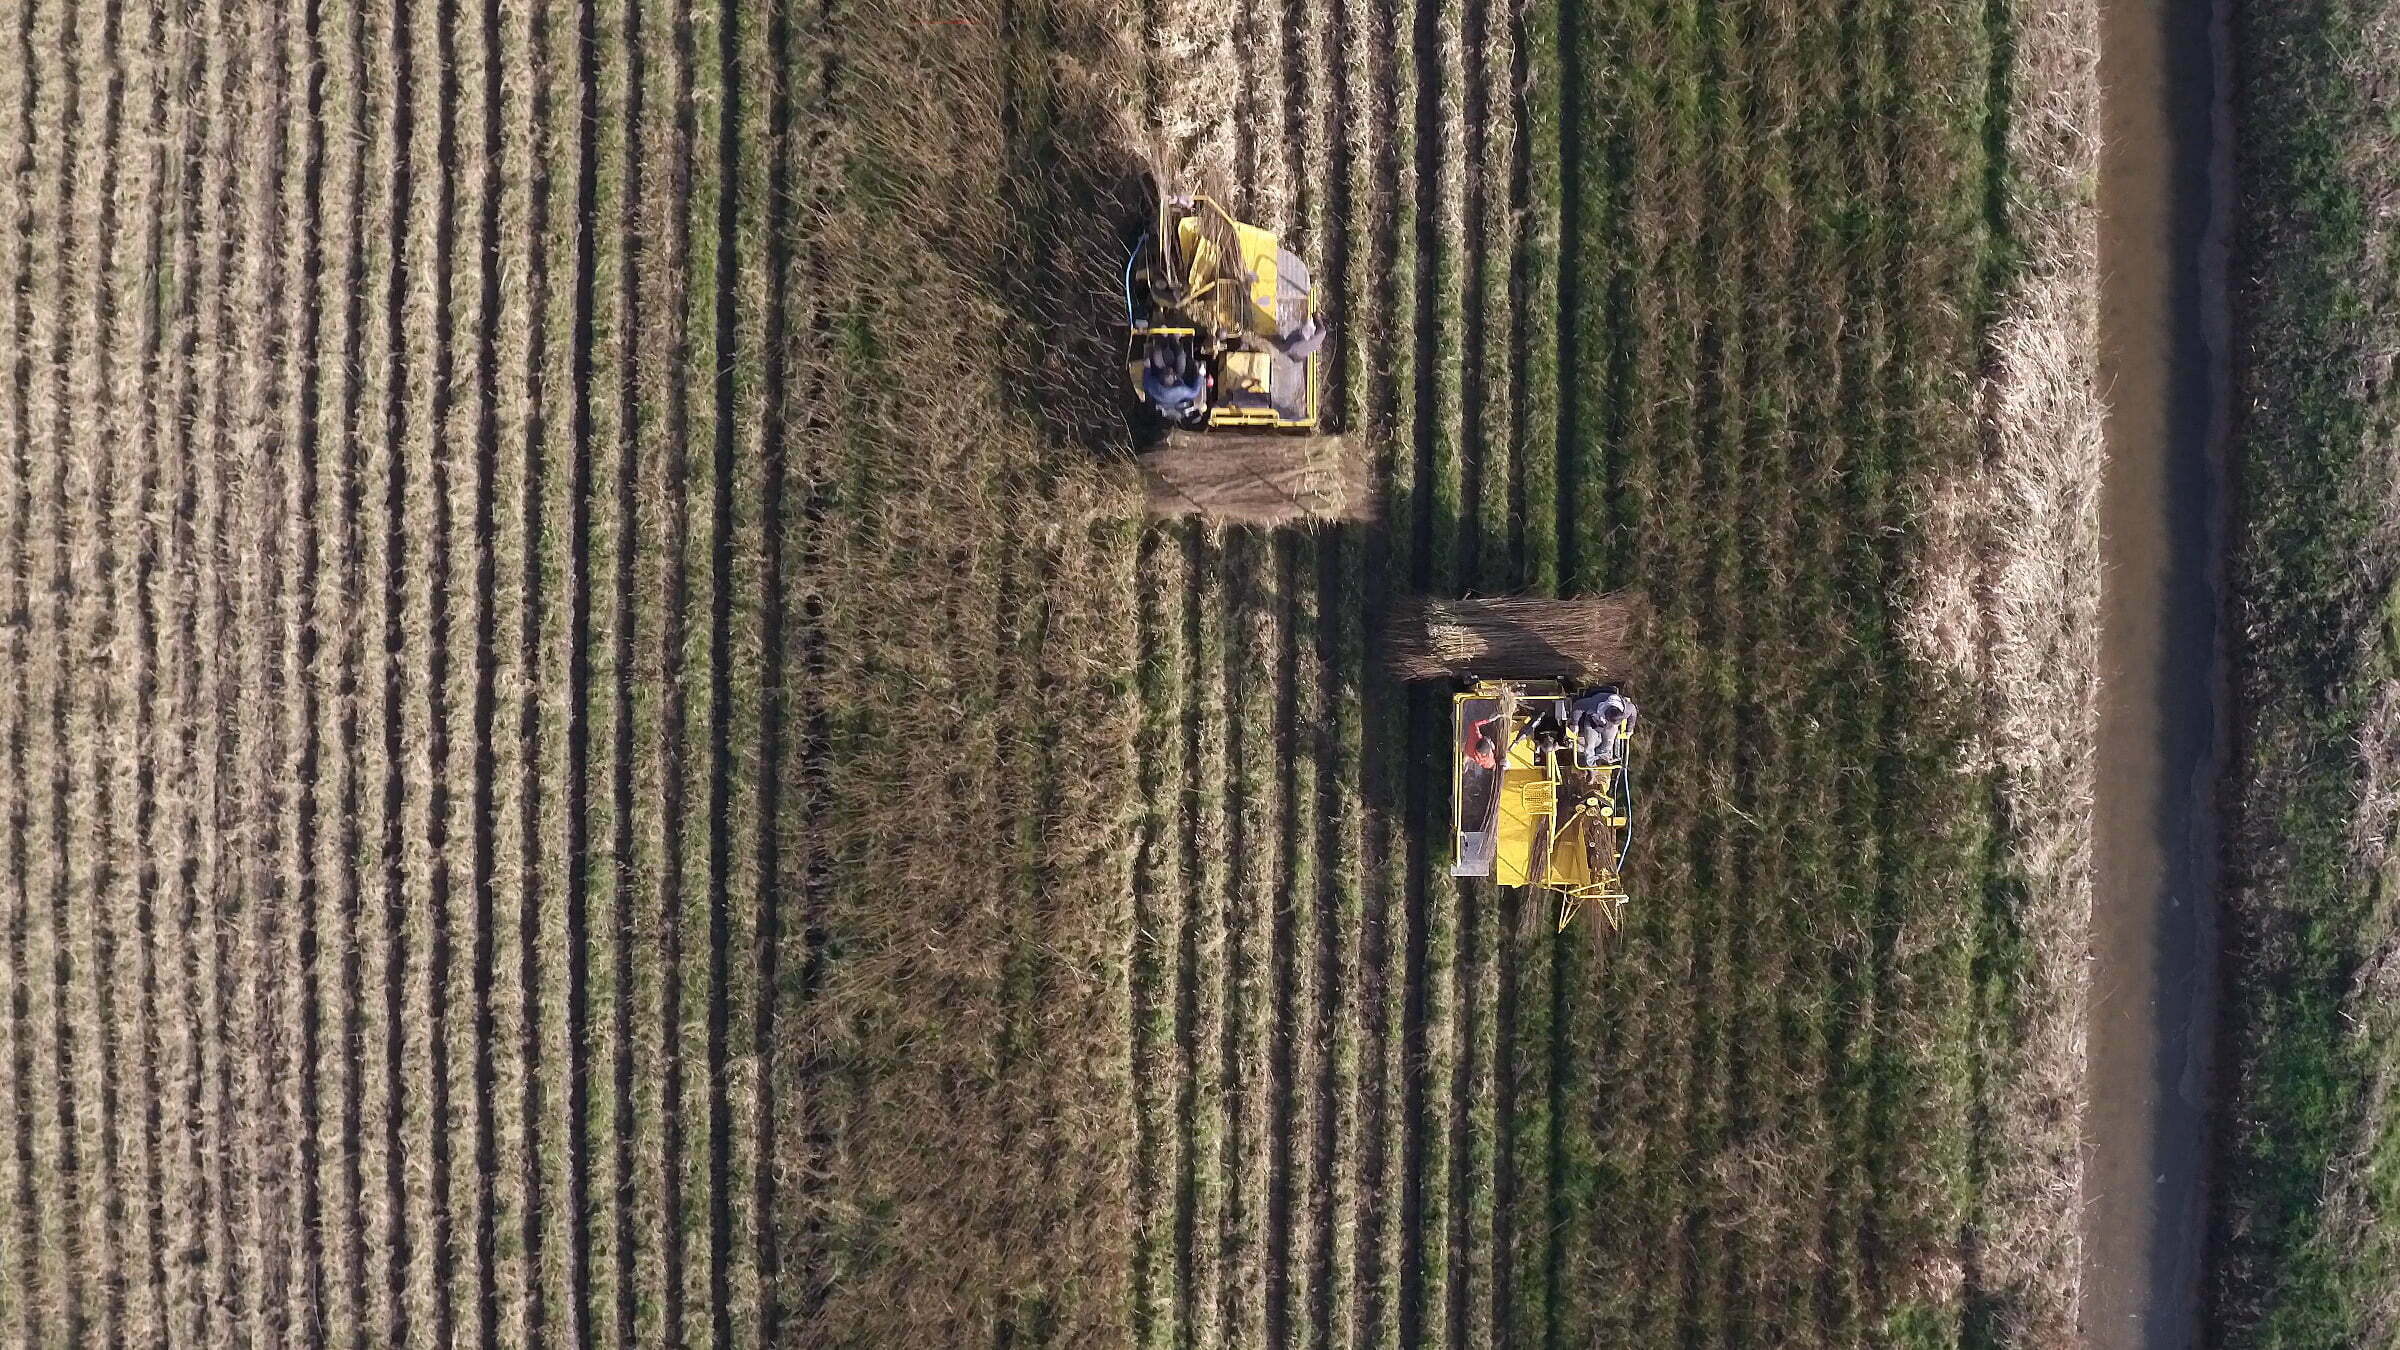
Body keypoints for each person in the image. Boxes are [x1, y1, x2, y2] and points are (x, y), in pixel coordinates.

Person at [1565, 686, 1637, 767]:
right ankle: (1592, 766)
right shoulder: (1593, 704)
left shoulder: (1627, 709)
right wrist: (1575, 724)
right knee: (1589, 746)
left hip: (1611, 727)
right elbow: (1577, 706)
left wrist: (1629, 729)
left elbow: (1633, 712)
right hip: (1593, 722)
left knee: (1608, 745)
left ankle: (1601, 759)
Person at [1143, 337, 1207, 422]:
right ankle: (1176, 341)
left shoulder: (1155, 388)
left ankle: (1160, 341)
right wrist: (1201, 375)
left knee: (1157, 354)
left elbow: (1146, 381)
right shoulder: (1180, 390)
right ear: (1174, 378)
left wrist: (1147, 367)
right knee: (1181, 356)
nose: (1170, 372)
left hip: (1161, 372)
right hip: (1177, 379)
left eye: (1168, 373)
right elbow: (1194, 392)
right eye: (1170, 374)